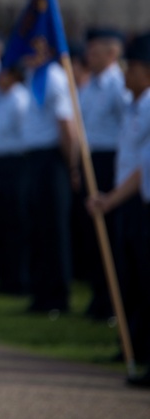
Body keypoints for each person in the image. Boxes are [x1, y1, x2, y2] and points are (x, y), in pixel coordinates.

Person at [87, 32, 150, 376]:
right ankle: (133, 345)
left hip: (138, 200)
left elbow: (143, 168)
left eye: (133, 68)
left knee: (143, 277)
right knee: (131, 277)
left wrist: (111, 199)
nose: (125, 75)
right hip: (129, 200)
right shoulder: (133, 104)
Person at [77, 27, 129, 320]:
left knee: (111, 235)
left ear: (112, 53)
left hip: (112, 162)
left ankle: (113, 302)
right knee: (92, 235)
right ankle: (99, 297)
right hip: (91, 159)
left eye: (95, 52)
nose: (89, 57)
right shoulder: (88, 86)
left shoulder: (118, 86)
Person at [21, 57, 76, 315]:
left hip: (52, 159)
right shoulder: (35, 75)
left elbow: (65, 123)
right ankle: (41, 294)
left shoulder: (53, 76)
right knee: (38, 228)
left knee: (54, 229)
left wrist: (73, 165)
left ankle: (56, 296)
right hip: (35, 157)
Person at [0, 64, 31, 295]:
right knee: (3, 224)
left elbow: (24, 137)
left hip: (17, 164)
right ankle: (7, 278)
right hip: (4, 164)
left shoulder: (19, 99)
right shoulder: (5, 99)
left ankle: (19, 279)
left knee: (16, 224)